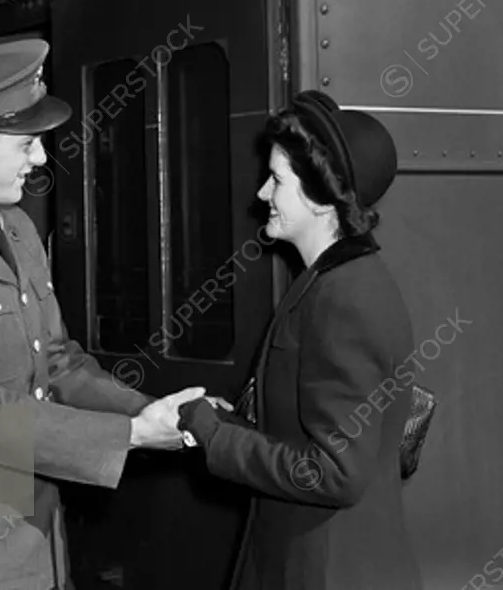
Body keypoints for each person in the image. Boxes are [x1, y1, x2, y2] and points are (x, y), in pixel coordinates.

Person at [0, 39, 204, 590]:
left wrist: (154, 410)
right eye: (27, 144)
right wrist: (130, 436)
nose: (42, 159)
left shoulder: (17, 229)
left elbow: (59, 361)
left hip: (40, 538)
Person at [177, 90, 422, 590]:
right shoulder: (334, 280)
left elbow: (335, 473)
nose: (263, 194)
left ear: (319, 197)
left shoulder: (345, 297)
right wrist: (238, 423)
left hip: (326, 570)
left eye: (277, 180)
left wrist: (218, 437)